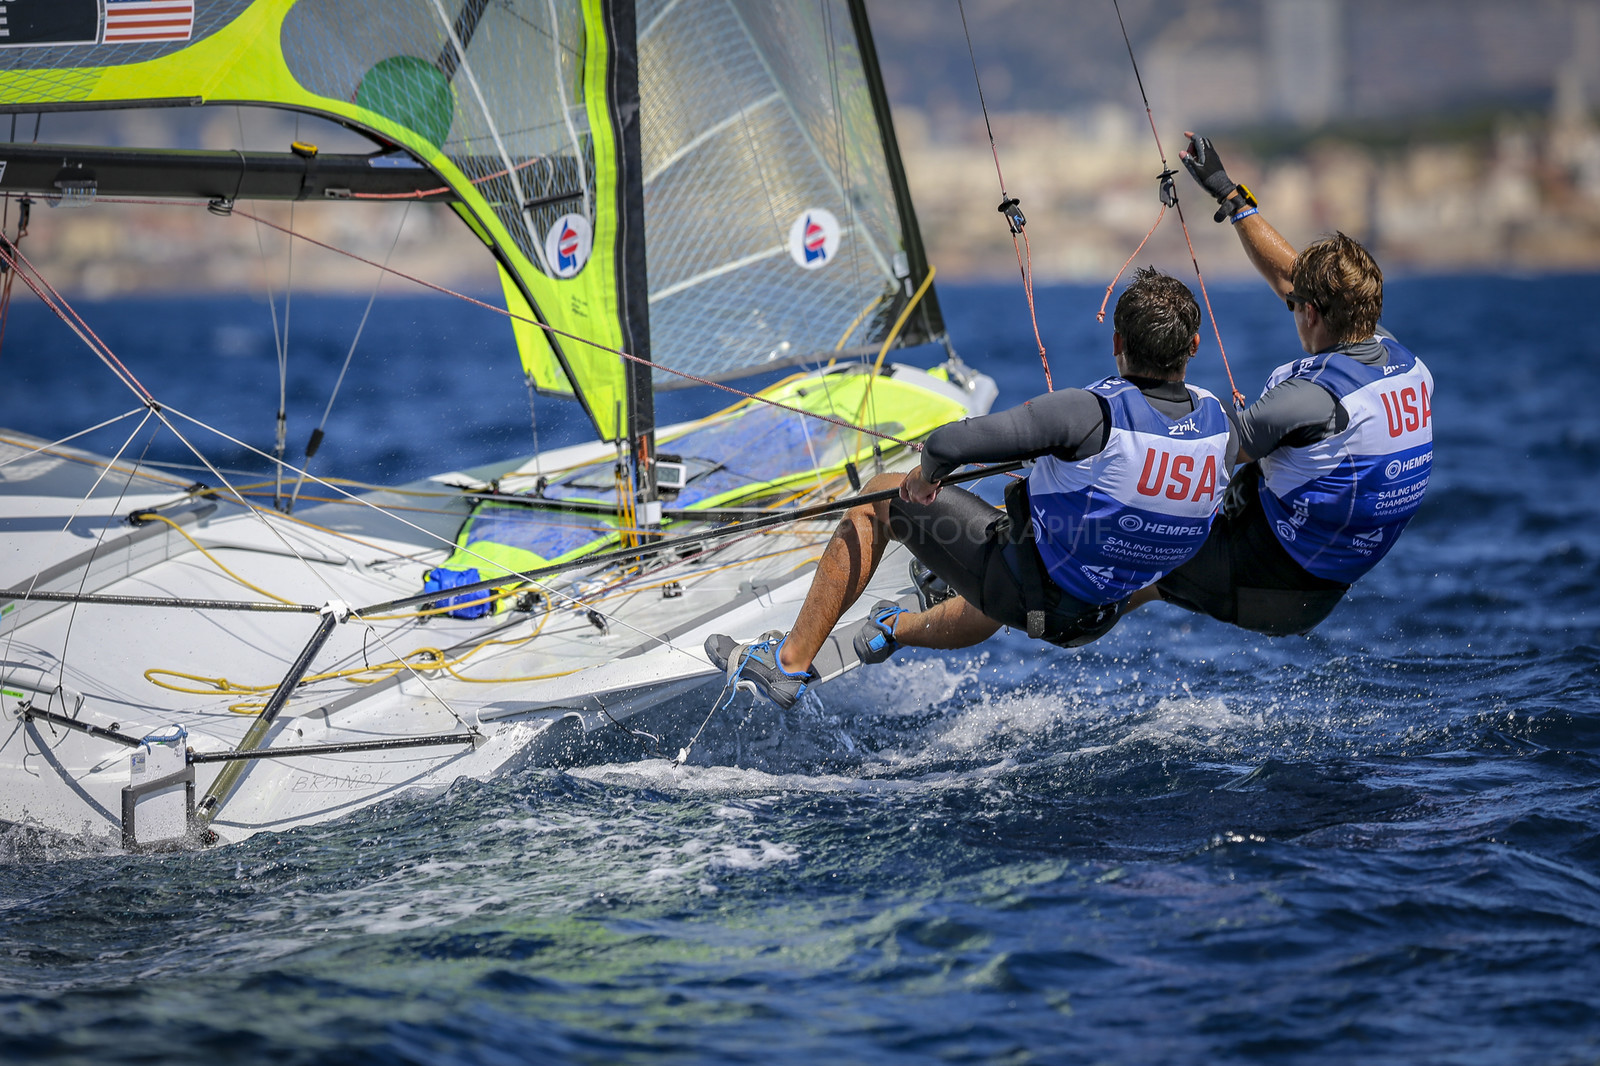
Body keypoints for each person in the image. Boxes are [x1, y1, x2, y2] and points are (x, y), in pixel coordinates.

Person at [706, 268, 1239, 708]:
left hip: (1032, 594)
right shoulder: (1222, 425)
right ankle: (893, 629)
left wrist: (922, 482)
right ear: (1194, 345)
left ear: (1118, 343)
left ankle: (787, 663)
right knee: (1029, 556)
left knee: (879, 502)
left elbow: (947, 445)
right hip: (1097, 615)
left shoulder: (1088, 414)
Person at [1128, 133, 1435, 636]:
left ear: (1311, 312)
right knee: (1143, 576)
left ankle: (1025, 597)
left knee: (1111, 541)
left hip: (1269, 583)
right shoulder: (1392, 353)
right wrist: (1231, 196)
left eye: (1298, 304)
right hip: (1319, 582)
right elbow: (1294, 277)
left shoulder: (1309, 401)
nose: (1289, 302)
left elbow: (1193, 454)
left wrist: (1084, 437)